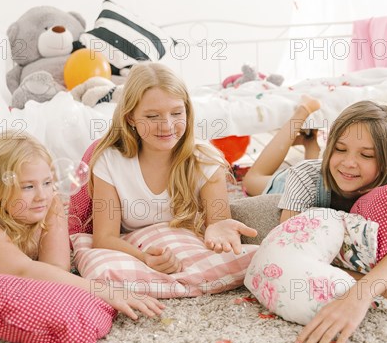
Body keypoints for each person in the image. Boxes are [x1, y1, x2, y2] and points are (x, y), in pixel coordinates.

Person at [0, 105, 164, 320]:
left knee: (6, 171)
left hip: (1, 194)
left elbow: (56, 269)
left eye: (48, 182)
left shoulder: (47, 201)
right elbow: (24, 269)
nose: (42, 195)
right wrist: (101, 290)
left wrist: (43, 200)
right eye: (28, 186)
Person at [247, 100, 387, 343]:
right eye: (340, 149)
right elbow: (294, 258)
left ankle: (309, 144)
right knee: (253, 178)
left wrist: (361, 294)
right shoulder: (304, 177)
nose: (349, 162)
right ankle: (300, 117)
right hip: (292, 184)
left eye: (366, 155)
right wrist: (381, 291)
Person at [81, 62, 257, 275]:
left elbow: (218, 224)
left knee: (251, 259)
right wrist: (144, 258)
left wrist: (219, 232)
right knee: (98, 268)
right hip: (138, 250)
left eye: (176, 113)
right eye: (152, 116)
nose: (166, 125)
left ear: (187, 111)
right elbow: (104, 238)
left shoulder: (206, 159)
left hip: (187, 248)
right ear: (130, 118)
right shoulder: (110, 161)